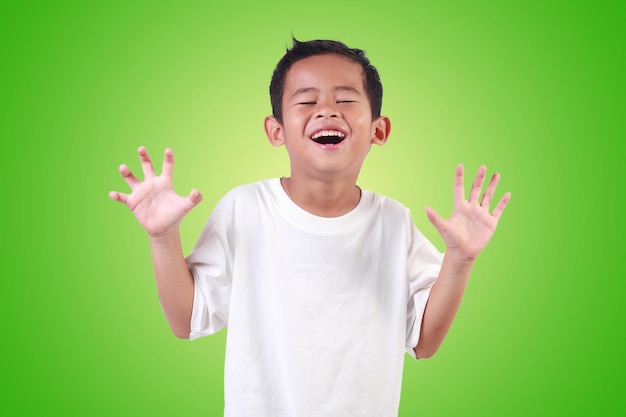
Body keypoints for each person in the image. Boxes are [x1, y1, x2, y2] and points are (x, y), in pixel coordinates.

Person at [109, 38, 510, 417]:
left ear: (379, 130)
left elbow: (424, 342)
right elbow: (186, 320)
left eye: (345, 100)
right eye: (307, 100)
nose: (327, 110)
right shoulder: (245, 209)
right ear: (276, 130)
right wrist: (162, 237)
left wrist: (459, 260)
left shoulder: (393, 222)